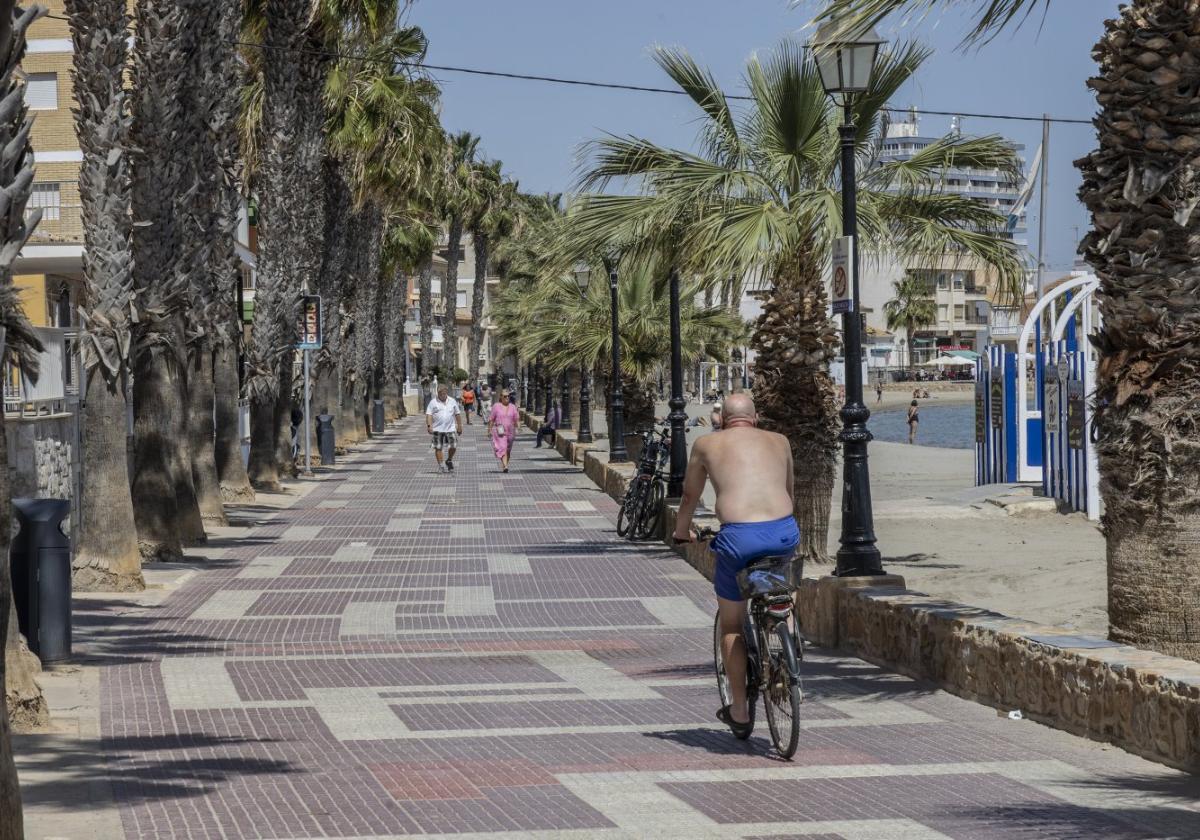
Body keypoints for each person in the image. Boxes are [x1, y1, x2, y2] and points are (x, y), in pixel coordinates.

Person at [672, 394, 797, 739]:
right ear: (755, 418)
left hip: (740, 537)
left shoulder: (707, 444)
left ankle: (740, 710)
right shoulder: (780, 441)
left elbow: (689, 496)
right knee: (781, 587)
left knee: (731, 623)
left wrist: (682, 532)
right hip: (784, 531)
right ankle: (787, 642)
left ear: (723, 420)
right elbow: (788, 490)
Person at [425, 384, 463, 473]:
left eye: (444, 393)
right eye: (441, 393)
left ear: (446, 393)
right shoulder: (433, 402)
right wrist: (429, 426)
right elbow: (429, 415)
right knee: (438, 447)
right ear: (438, 393)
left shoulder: (452, 401)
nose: (442, 395)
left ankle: (449, 460)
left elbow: (457, 414)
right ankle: (441, 465)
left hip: (450, 428)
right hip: (438, 429)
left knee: (453, 446)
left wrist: (460, 426)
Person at [487, 388, 520, 472]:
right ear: (501, 397)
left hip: (510, 431)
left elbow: (516, 419)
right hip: (500, 431)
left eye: (508, 396)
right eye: (505, 396)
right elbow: (491, 419)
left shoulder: (513, 407)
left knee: (508, 450)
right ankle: (505, 466)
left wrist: (517, 428)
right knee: (502, 447)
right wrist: (489, 430)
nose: (507, 398)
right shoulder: (496, 406)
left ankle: (505, 465)